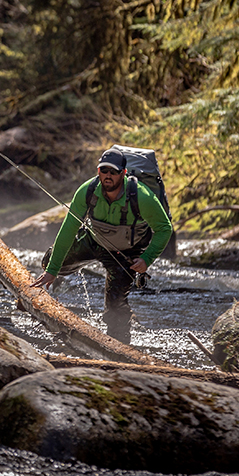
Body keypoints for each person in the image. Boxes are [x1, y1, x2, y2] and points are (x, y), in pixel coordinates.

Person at [30, 147, 173, 344]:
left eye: (113, 172)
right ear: (98, 171)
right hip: (93, 241)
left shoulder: (142, 197)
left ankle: (119, 348)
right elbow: (68, 229)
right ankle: (55, 279)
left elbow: (165, 228)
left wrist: (146, 259)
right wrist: (53, 270)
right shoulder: (87, 191)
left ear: (123, 173)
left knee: (115, 308)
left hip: (126, 253)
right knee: (49, 263)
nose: (108, 176)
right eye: (104, 170)